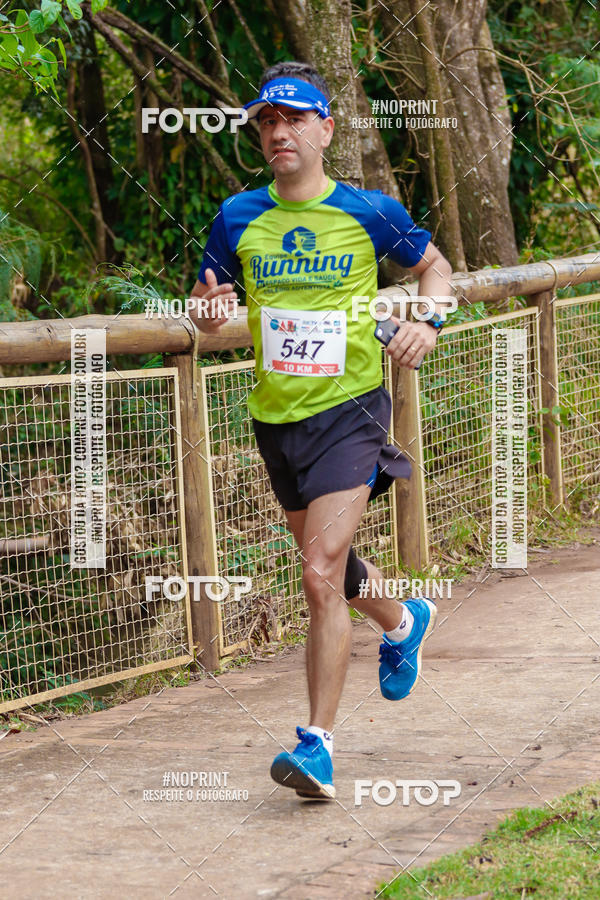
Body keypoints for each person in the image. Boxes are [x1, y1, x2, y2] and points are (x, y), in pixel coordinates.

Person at [189, 61, 453, 800]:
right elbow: (210, 308)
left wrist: (428, 322)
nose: (279, 132)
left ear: (327, 129)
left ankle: (317, 747)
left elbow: (436, 271)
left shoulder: (371, 211)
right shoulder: (237, 216)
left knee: (317, 575)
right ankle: (404, 620)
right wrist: (206, 317)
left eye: (294, 118)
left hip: (354, 409)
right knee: (326, 563)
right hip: (277, 418)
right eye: (267, 122)